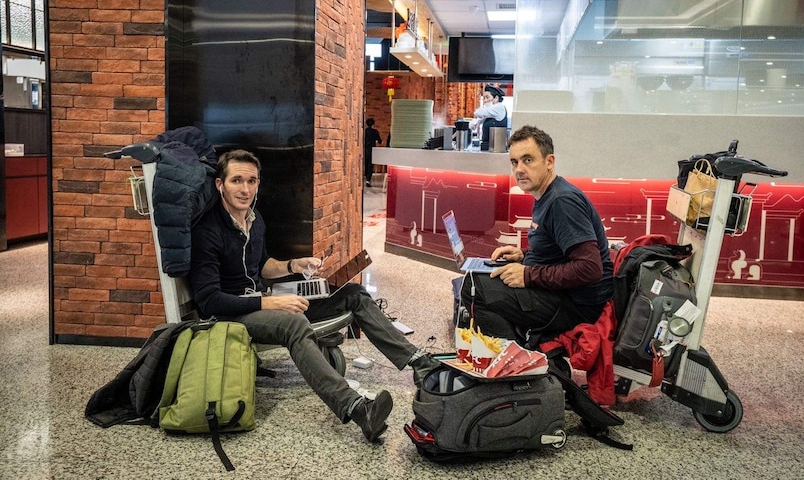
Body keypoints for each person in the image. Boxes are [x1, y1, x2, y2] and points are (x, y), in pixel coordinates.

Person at [189, 149, 438, 443]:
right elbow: (208, 301)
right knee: (294, 325)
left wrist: (292, 266)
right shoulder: (208, 231)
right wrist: (268, 302)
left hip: (261, 300)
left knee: (354, 294)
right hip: (233, 314)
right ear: (220, 184)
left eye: (251, 181)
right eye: (236, 181)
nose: (245, 189)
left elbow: (262, 265)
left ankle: (419, 364)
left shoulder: (255, 220)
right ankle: (357, 409)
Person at [459, 125, 614, 343]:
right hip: (560, 293)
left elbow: (590, 268)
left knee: (473, 288)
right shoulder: (546, 194)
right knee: (476, 278)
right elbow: (560, 251)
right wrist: (523, 255)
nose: (519, 169)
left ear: (549, 162)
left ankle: (516, 362)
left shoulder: (562, 201)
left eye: (528, 160)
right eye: (514, 162)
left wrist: (527, 275)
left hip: (576, 305)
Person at [468, 85, 508, 151]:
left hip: (497, 147)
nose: (485, 100)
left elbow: (479, 113)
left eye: (487, 97)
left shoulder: (499, 107)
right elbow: (476, 121)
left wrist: (477, 114)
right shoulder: (489, 111)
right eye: (484, 98)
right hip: (488, 146)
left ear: (496, 98)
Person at [364, 118, 382, 186]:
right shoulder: (375, 131)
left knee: (366, 163)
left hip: (365, 149)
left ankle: (365, 177)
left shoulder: (364, 131)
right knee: (370, 165)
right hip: (372, 149)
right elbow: (380, 141)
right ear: (373, 124)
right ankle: (368, 179)